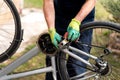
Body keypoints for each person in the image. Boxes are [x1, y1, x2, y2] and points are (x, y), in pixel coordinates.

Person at [43, 0, 96, 80]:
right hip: (60, 16)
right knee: (53, 63)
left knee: (77, 65)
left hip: (83, 17)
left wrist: (76, 21)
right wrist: (52, 30)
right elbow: (48, 2)